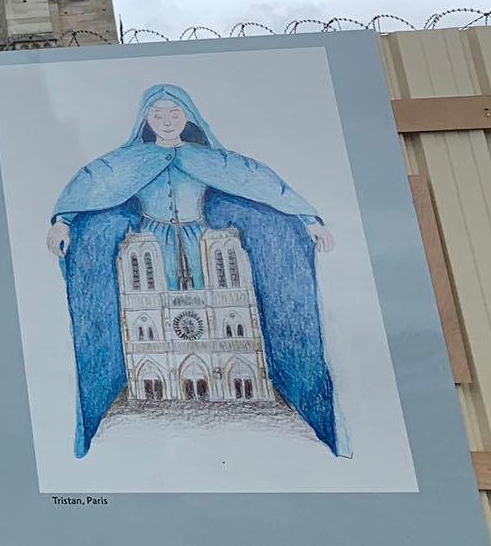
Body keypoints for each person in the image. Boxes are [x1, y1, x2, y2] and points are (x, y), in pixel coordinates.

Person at [46, 84, 341, 457]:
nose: (167, 122)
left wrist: (308, 218)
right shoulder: (123, 162)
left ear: (188, 118)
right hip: (152, 249)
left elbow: (260, 182)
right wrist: (63, 221)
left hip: (203, 247)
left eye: (174, 114)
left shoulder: (214, 160)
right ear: (145, 121)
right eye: (158, 115)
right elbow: (91, 186)